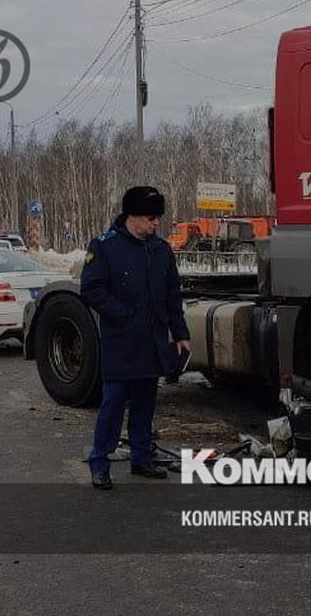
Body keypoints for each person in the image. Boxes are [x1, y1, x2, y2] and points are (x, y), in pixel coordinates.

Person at [80, 186, 190, 490]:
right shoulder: (105, 247)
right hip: (121, 342)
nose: (157, 223)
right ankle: (100, 463)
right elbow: (91, 290)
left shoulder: (160, 249)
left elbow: (172, 294)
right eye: (151, 217)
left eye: (158, 217)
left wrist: (180, 333)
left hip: (152, 343)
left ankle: (142, 458)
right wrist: (123, 315)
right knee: (113, 404)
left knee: (145, 403)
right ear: (133, 216)